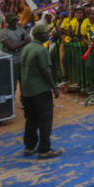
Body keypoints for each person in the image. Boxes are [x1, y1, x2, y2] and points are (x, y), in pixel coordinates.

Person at [20, 24, 63, 159]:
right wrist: (54, 88)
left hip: (27, 90)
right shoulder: (41, 50)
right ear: (38, 35)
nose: (48, 35)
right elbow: (46, 71)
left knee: (31, 119)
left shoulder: (26, 48)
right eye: (45, 33)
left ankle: (29, 147)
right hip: (40, 89)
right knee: (45, 119)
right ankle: (44, 149)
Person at [0, 12, 31, 99]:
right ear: (8, 21)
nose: (16, 21)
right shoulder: (3, 32)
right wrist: (24, 42)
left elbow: (29, 40)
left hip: (23, 59)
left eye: (17, 19)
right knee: (12, 83)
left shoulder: (20, 29)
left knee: (24, 81)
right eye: (14, 20)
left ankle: (24, 100)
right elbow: (12, 46)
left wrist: (18, 46)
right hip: (11, 62)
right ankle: (10, 102)